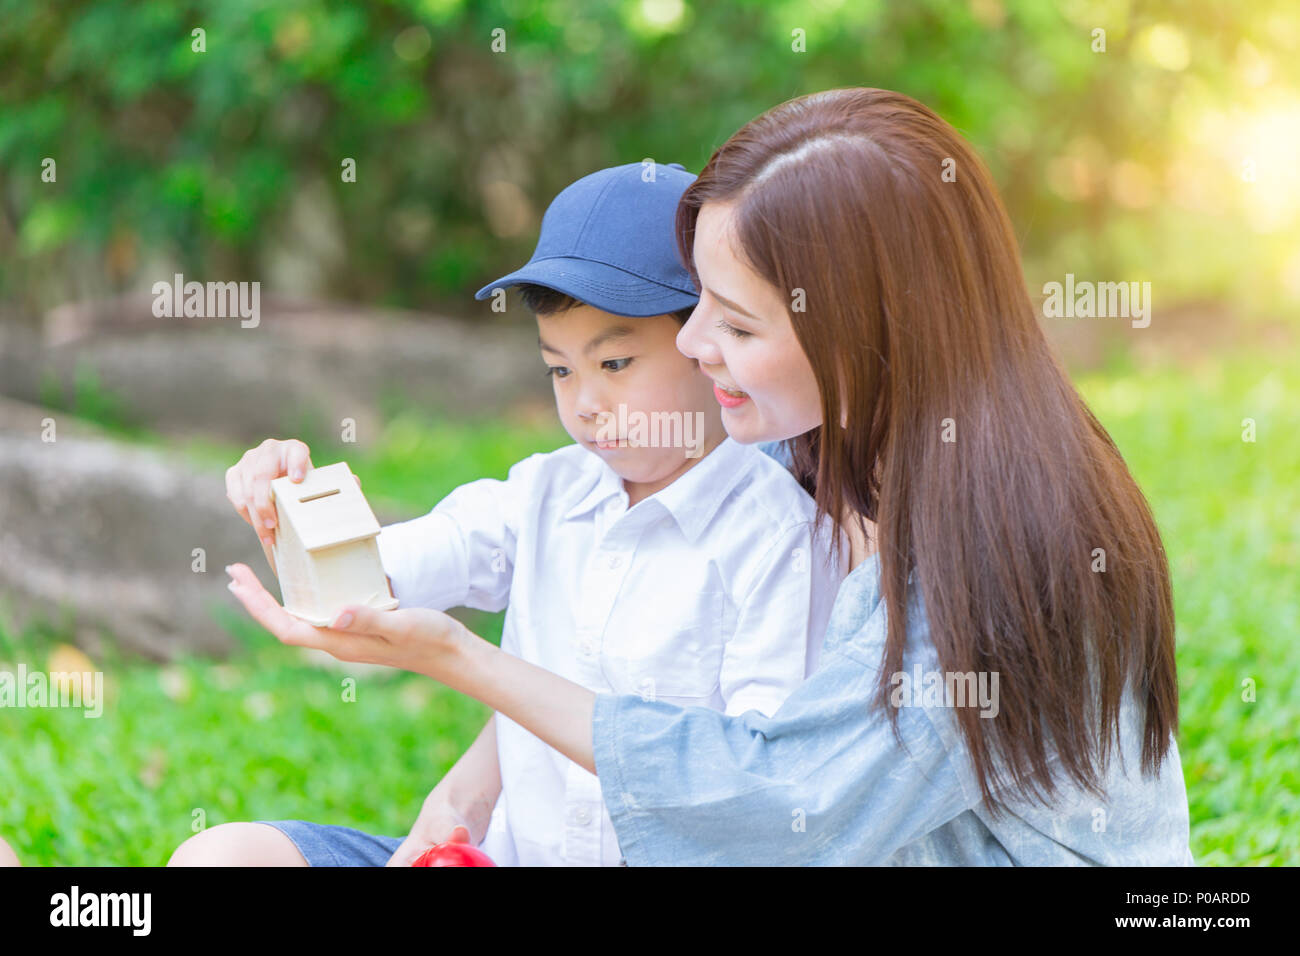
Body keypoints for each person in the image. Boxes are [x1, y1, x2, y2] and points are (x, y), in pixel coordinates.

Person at [222, 87, 1194, 864]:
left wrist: (460, 658)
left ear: (858, 329)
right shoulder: (802, 445)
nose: (692, 344)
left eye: (733, 323)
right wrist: (302, 515)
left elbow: (774, 808)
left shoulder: (1007, 551)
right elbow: (564, 619)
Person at [170, 162, 843, 867]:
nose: (584, 402)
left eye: (614, 364)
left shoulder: (776, 538)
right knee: (222, 857)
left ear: (705, 345)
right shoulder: (543, 495)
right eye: (560, 370)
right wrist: (294, 505)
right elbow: (382, 575)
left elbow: (753, 785)